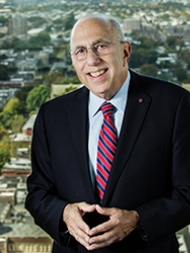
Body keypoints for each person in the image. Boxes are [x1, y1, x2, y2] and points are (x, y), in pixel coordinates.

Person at [25, 14, 190, 253]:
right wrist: (63, 213)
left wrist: (138, 219)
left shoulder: (174, 105)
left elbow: (187, 192)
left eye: (100, 46)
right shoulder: (53, 115)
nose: (91, 60)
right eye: (80, 51)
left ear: (125, 51)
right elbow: (37, 193)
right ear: (73, 61)